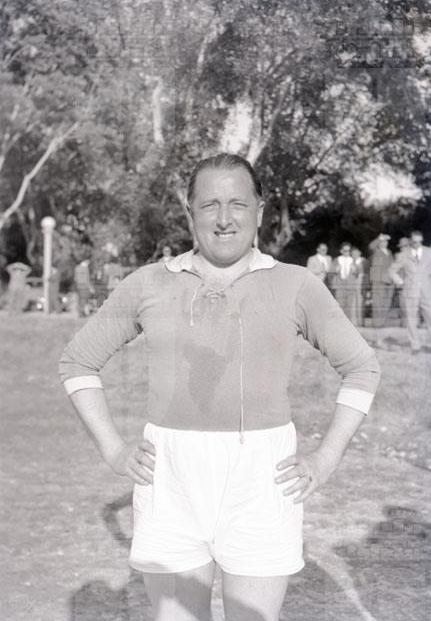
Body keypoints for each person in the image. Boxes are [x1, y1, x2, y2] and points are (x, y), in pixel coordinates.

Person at [59, 153, 380, 621]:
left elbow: (362, 368)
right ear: (190, 212)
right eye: (210, 205)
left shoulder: (295, 284)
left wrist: (326, 458)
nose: (224, 219)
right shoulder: (148, 283)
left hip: (262, 479)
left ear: (260, 212)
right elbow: (78, 361)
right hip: (170, 479)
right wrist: (113, 449)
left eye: (238, 204)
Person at [389, 230, 431, 354]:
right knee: (411, 320)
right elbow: (392, 271)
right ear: (410, 241)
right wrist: (401, 282)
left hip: (426, 292)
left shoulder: (430, 253)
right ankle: (415, 346)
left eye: (420, 242)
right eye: (414, 242)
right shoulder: (403, 255)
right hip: (410, 292)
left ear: (422, 240)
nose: (417, 244)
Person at [368, 233, 394, 328]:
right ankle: (377, 323)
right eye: (382, 241)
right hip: (378, 279)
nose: (385, 243)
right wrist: (379, 238)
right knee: (377, 301)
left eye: (386, 241)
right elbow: (371, 246)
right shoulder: (375, 251)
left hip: (389, 279)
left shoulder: (389, 252)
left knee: (386, 302)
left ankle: (383, 322)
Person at [330, 242, 357, 321]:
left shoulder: (353, 260)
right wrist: (336, 269)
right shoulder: (336, 260)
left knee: (349, 306)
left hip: (350, 285)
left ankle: (348, 323)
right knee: (340, 306)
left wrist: (355, 270)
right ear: (341, 251)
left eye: (349, 251)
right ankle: (340, 323)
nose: (347, 253)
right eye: (345, 251)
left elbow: (357, 272)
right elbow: (330, 271)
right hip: (339, 286)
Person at [351, 247, 368, 327]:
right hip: (352, 284)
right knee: (353, 303)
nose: (354, 255)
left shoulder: (364, 261)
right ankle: (354, 322)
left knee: (360, 303)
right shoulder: (351, 262)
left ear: (360, 253)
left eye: (356, 253)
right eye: (353, 254)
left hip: (361, 284)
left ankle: (361, 322)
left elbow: (367, 274)